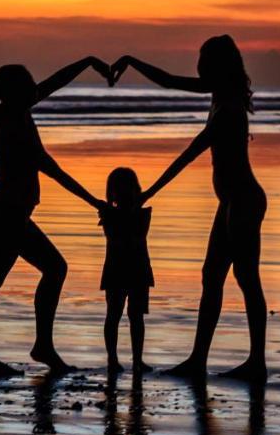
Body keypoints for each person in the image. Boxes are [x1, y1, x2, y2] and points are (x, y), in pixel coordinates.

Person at [111, 35, 268, 382]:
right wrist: (132, 60)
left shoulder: (227, 109)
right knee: (211, 278)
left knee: (246, 280)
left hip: (243, 201)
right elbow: (169, 81)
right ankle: (198, 360)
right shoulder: (218, 94)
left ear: (217, 65)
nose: (198, 66)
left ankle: (257, 362)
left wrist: (150, 190)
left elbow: (190, 153)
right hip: (231, 202)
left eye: (203, 59)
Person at [0, 58, 110, 380]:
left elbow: (56, 80)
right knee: (34, 273)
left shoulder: (16, 110)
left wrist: (88, 62)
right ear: (16, 92)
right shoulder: (14, 122)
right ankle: (0, 356)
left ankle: (4, 355)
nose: (36, 88)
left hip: (7, 212)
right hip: (8, 215)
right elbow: (50, 168)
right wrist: (93, 201)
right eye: (29, 84)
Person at [99, 167, 154, 375]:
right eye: (118, 188)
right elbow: (115, 237)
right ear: (112, 192)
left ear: (135, 190)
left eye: (128, 187)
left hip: (138, 269)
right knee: (113, 315)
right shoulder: (108, 215)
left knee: (136, 316)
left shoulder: (142, 214)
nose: (123, 192)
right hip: (116, 270)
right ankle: (112, 359)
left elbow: (137, 236)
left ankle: (137, 360)